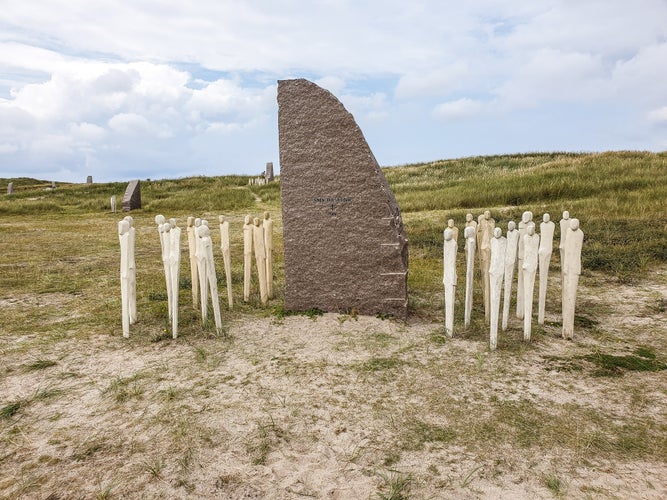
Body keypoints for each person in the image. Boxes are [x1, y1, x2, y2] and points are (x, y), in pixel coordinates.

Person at [562, 218, 584, 339]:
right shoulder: (568, 233)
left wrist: (577, 267)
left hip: (575, 266)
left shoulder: (580, 234)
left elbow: (577, 251)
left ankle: (568, 329)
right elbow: (567, 251)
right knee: (567, 291)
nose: (573, 224)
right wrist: (565, 266)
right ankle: (566, 328)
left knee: (571, 292)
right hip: (568, 266)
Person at [489, 227, 507, 350]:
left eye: (498, 231)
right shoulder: (492, 241)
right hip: (493, 270)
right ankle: (492, 339)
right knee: (493, 298)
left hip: (499, 270)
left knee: (496, 298)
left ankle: (494, 340)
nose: (497, 233)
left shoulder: (504, 241)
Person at [443, 228, 457, 337]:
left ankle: (450, 330)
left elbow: (452, 262)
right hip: (446, 276)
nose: (445, 235)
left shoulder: (453, 244)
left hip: (451, 275)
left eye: (447, 234)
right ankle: (448, 329)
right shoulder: (445, 243)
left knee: (450, 300)